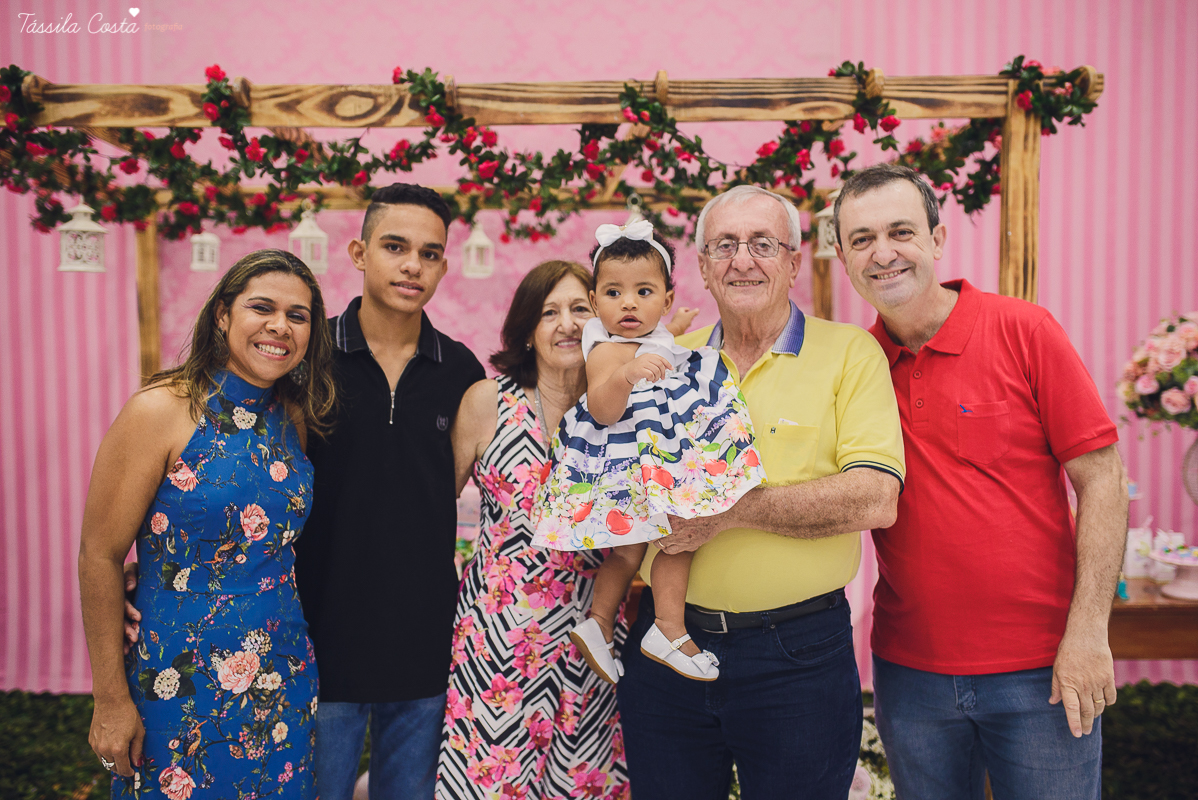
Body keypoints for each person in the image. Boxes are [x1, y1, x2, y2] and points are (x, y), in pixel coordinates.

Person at [832, 163, 1128, 800]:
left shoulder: (1025, 330)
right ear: (842, 256)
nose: (882, 253)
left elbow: (1102, 480)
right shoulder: (855, 365)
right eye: (861, 239)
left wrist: (1088, 632)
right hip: (909, 673)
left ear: (938, 239)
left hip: (1042, 669)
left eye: (901, 231)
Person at [616, 185, 906, 799]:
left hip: (796, 656)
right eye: (724, 245)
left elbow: (874, 497)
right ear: (701, 266)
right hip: (665, 647)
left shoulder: (849, 353)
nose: (742, 260)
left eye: (762, 244)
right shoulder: (666, 360)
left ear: (794, 262)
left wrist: (725, 511)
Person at [80, 249, 337, 798]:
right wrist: (110, 699)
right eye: (261, 307)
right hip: (177, 672)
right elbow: (99, 554)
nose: (279, 326)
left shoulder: (291, 416)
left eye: (298, 315)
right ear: (222, 315)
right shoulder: (160, 410)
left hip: (281, 668)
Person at [532, 221, 766, 684]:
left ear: (666, 299)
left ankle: (598, 622)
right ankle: (669, 627)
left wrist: (672, 333)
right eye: (615, 293)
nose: (630, 303)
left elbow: (661, 341)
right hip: (632, 463)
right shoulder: (605, 350)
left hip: (649, 458)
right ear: (596, 303)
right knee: (676, 539)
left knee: (630, 551)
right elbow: (600, 408)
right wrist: (626, 375)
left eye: (644, 291)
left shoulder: (648, 337)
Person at [437, 260, 628, 799]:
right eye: (550, 312)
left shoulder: (620, 408)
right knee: (491, 784)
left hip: (592, 626)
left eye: (580, 309)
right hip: (496, 636)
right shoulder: (486, 402)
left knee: (582, 782)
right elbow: (434, 507)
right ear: (526, 330)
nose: (566, 323)